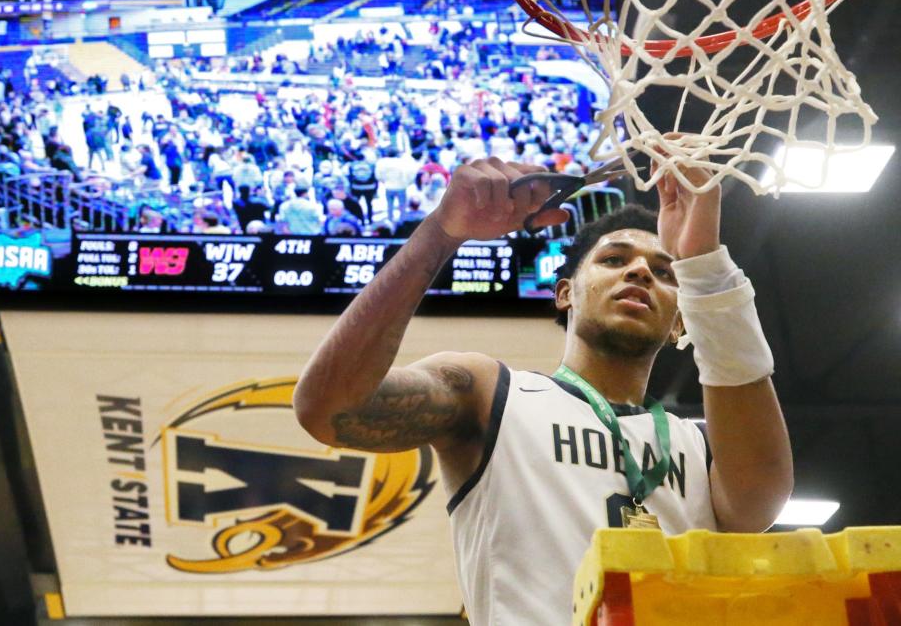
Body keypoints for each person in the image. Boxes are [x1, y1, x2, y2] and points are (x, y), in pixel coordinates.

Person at [294, 153, 793, 625]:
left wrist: (702, 263)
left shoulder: (697, 442)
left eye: (663, 272)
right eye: (614, 259)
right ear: (564, 293)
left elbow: (760, 502)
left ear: (681, 321)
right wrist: (441, 234)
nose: (640, 271)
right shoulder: (491, 391)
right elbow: (329, 409)